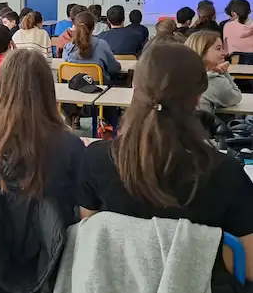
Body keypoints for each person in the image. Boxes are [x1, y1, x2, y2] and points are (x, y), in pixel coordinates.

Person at [78, 41, 253, 281]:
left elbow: (90, 233)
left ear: (135, 86)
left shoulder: (96, 159)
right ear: (198, 97)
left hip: (117, 281)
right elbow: (248, 267)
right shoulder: (225, 173)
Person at [0, 48, 84, 223]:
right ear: (48, 88)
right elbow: (81, 201)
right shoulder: (71, 146)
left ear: (1, 86)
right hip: (53, 242)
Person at [185, 30, 242, 113]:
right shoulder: (214, 81)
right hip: (202, 125)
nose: (224, 53)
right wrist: (224, 72)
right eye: (218, 48)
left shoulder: (174, 77)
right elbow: (236, 97)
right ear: (202, 51)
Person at [63, 11, 121, 84]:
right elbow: (113, 69)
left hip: (74, 87)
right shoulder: (102, 45)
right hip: (100, 88)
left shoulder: (68, 48)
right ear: (93, 27)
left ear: (75, 27)